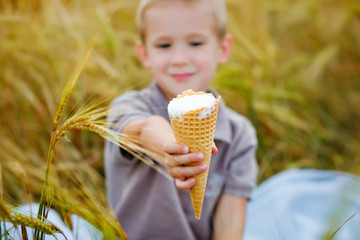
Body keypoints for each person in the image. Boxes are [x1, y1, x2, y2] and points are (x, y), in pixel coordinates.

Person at [104, 0, 258, 239]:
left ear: (223, 48)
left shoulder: (239, 135)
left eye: (195, 43)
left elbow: (229, 227)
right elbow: (144, 130)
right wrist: (171, 152)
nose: (179, 59)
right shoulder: (128, 106)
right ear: (144, 54)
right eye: (164, 45)